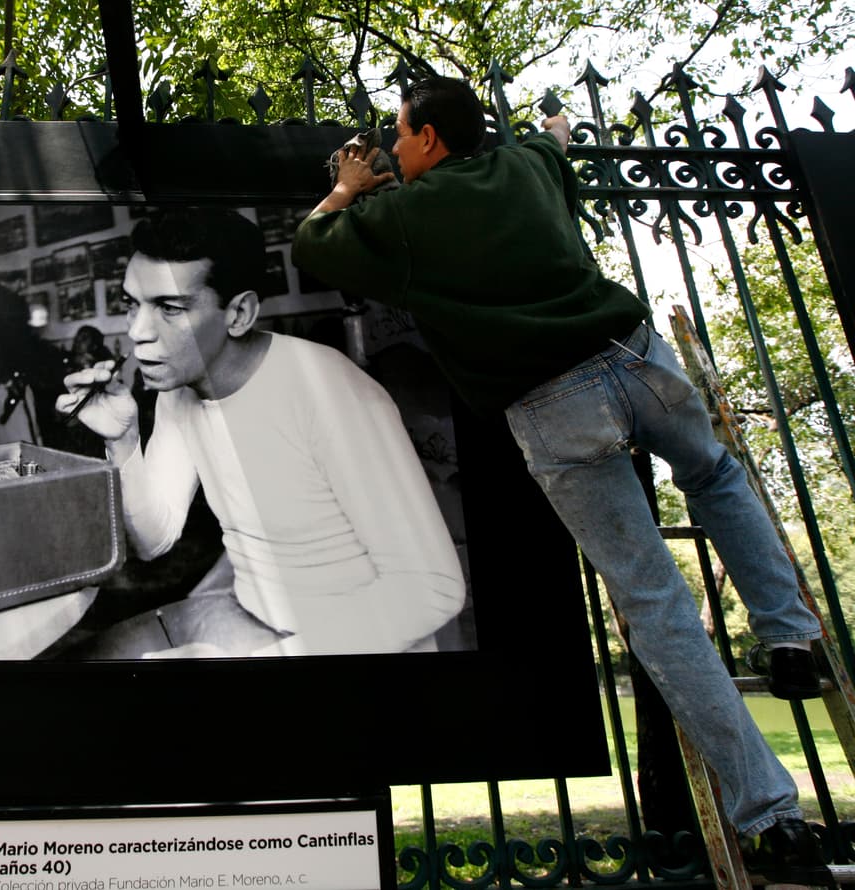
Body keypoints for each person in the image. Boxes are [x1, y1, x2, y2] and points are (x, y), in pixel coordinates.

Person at [290, 75, 828, 883]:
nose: (395, 150)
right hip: (636, 356)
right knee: (715, 474)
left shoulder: (398, 218)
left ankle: (774, 823)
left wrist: (346, 186)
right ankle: (791, 636)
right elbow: (560, 135)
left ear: (429, 140)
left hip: (553, 404)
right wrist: (553, 118)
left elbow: (312, 243)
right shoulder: (527, 166)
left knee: (653, 601)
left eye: (401, 136)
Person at [58, 207, 466, 658]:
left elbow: (433, 588)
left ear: (239, 314)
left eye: (169, 308)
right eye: (132, 304)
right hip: (255, 622)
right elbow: (155, 541)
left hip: (360, 648)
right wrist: (123, 440)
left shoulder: (328, 390)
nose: (136, 332)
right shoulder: (179, 390)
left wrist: (268, 664)